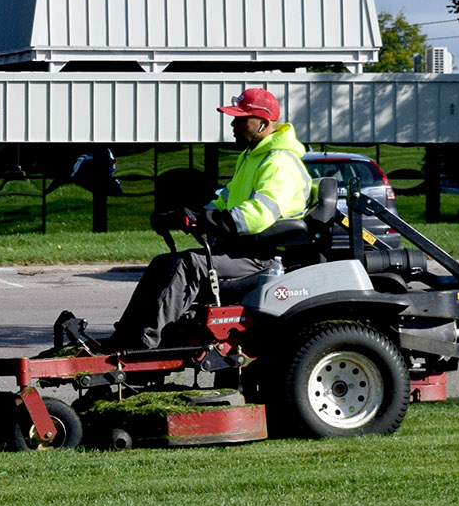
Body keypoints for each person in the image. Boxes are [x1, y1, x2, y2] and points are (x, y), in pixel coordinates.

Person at [104, 87, 313, 352]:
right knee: (163, 263)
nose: (233, 123)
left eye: (240, 118)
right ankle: (125, 335)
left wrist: (207, 220)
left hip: (262, 256)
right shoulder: (252, 157)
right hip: (241, 251)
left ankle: (144, 345)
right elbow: (223, 201)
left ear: (262, 122)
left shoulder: (278, 162)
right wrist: (184, 216)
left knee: (189, 265)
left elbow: (259, 215)